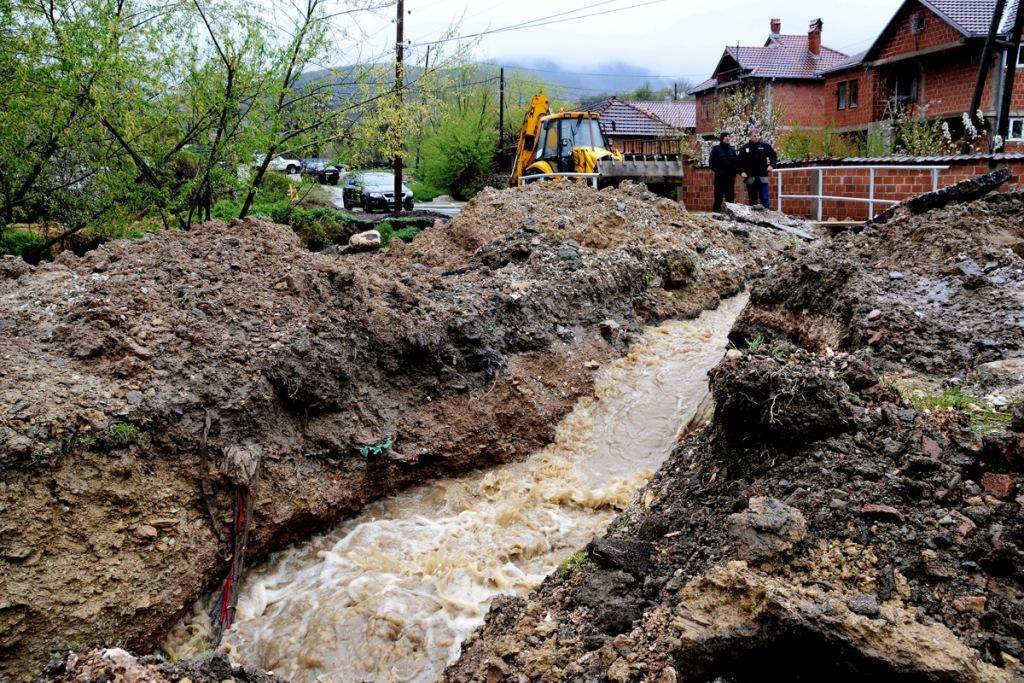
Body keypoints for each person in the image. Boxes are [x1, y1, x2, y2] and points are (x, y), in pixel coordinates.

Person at [737, 130, 779, 209]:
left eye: (758, 136)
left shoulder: (765, 146)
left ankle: (767, 217)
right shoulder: (744, 148)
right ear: (750, 136)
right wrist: (741, 172)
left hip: (762, 176)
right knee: (753, 200)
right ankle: (754, 219)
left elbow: (774, 157)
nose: (756, 137)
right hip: (750, 178)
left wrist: (772, 165)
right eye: (754, 136)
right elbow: (738, 162)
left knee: (765, 198)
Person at [708, 131, 737, 213]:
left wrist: (735, 172)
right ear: (722, 138)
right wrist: (719, 171)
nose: (728, 138)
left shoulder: (732, 149)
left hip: (730, 178)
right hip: (720, 178)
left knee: (730, 199)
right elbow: (711, 163)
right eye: (726, 136)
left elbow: (736, 162)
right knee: (718, 197)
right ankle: (716, 216)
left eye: (729, 136)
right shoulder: (716, 149)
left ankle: (730, 216)